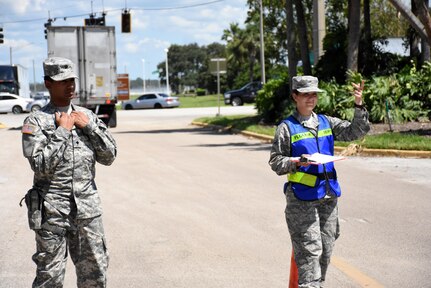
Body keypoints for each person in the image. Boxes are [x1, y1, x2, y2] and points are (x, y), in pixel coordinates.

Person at [21, 57, 117, 287]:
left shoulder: (87, 116)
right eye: (62, 81)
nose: (70, 85)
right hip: (53, 212)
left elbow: (109, 156)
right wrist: (62, 131)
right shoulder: (35, 121)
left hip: (87, 211)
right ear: (47, 84)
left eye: (72, 80)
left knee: (95, 276)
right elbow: (39, 165)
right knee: (49, 279)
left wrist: (90, 128)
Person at [268, 75, 370, 287]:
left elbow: (356, 131)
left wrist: (358, 104)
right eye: (305, 94)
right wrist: (296, 162)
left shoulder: (326, 122)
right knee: (309, 250)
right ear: (295, 96)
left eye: (313, 94)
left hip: (328, 195)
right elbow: (276, 161)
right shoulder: (286, 128)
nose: (310, 99)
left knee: (326, 248)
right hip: (301, 200)